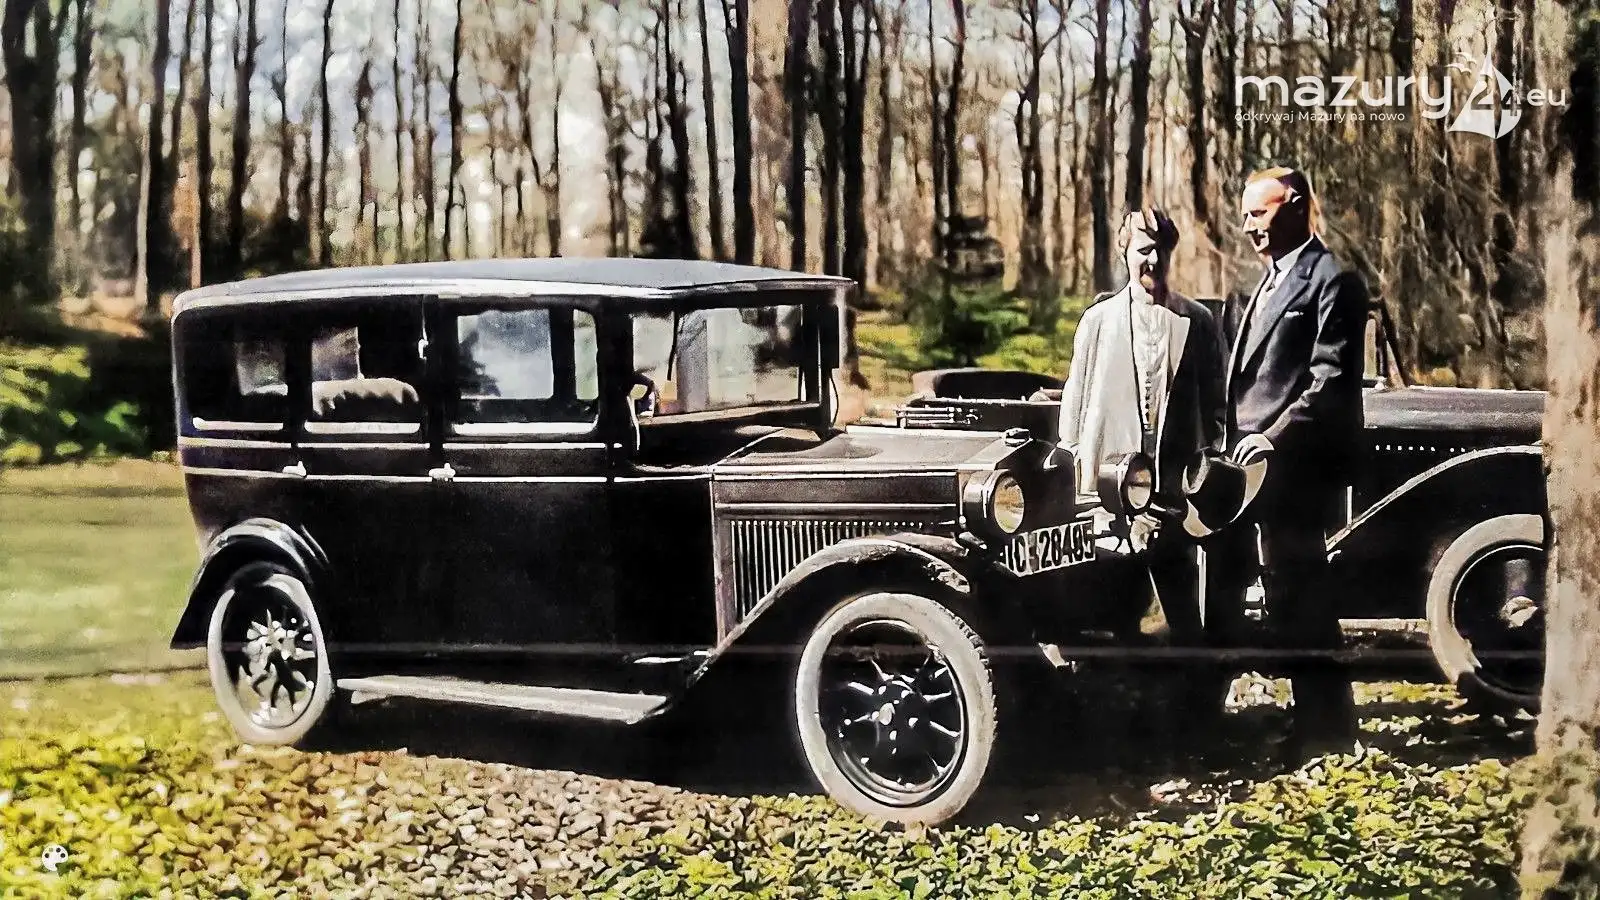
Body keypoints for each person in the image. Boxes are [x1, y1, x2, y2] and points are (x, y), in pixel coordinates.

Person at [1057, 207, 1230, 748]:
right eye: (1142, 250)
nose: (1152, 260)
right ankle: (1112, 724)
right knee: (1112, 603)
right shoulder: (1098, 321)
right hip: (1108, 489)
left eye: (1161, 250)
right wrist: (1076, 469)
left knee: (1179, 605)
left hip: (1174, 490)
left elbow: (1217, 405)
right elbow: (1074, 404)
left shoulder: (1196, 322)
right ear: (1125, 254)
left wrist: (1205, 465)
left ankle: (1190, 726)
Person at [1211, 166, 1366, 764]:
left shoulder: (1333, 280)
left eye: (1260, 212)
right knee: (1234, 590)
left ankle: (1326, 732)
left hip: (1294, 469)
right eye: (1246, 215)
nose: (1249, 226)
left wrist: (1272, 438)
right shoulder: (1267, 281)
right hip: (1244, 468)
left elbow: (1329, 382)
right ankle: (1211, 717)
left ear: (1297, 206)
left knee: (1301, 598)